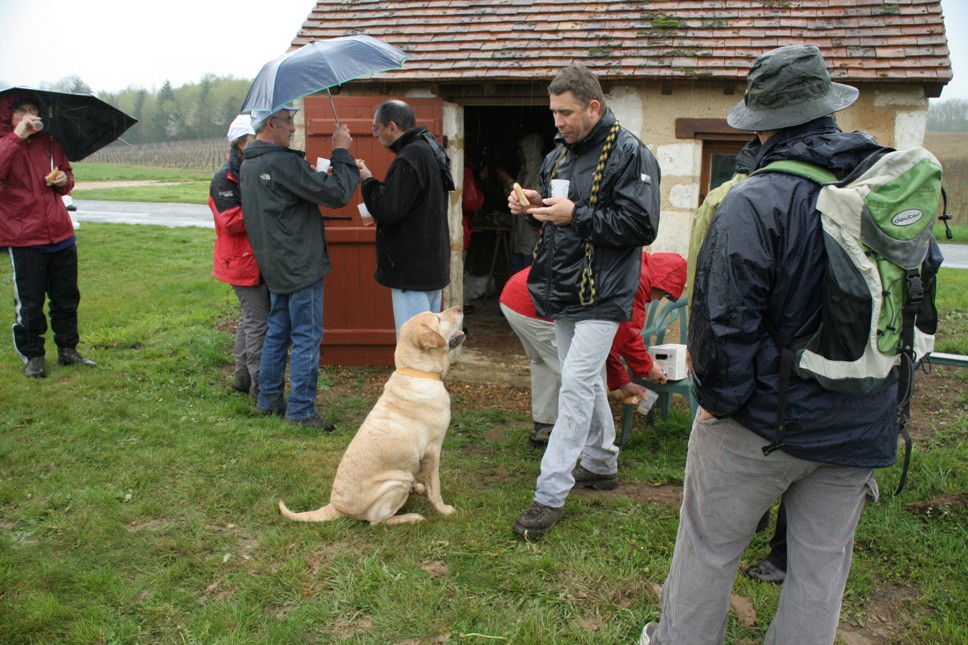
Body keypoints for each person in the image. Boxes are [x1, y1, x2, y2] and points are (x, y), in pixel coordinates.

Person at [640, 44, 893, 645]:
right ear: (828, 109)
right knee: (820, 568)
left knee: (709, 549)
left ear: (764, 125)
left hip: (762, 426)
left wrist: (720, 404)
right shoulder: (885, 185)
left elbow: (723, 325)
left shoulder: (753, 200)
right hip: (861, 419)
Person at [507, 64, 661, 539]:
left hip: (605, 288)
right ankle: (600, 462)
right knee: (586, 377)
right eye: (554, 112)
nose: (558, 122)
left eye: (566, 113)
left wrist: (578, 214)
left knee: (574, 382)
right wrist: (533, 207)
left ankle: (549, 493)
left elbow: (641, 226)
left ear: (594, 106)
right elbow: (559, 219)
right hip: (563, 285)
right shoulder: (557, 157)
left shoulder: (631, 153)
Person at [240, 106, 359, 430]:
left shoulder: (250, 164)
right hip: (299, 264)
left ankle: (269, 400)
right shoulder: (281, 162)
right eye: (289, 121)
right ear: (271, 124)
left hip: (275, 264)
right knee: (307, 336)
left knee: (278, 332)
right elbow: (336, 194)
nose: (293, 128)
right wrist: (341, 150)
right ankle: (302, 410)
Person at [500, 252, 687, 447]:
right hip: (536, 306)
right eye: (664, 294)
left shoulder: (631, 264)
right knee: (588, 376)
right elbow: (626, 333)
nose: (657, 299)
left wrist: (623, 382)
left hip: (518, 296)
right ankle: (588, 446)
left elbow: (606, 338)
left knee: (548, 364)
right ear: (662, 281)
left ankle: (546, 427)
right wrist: (646, 366)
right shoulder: (637, 280)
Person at [0, 90, 96, 378]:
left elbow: (66, 176)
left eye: (34, 110)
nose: (30, 116)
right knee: (30, 303)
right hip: (24, 236)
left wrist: (64, 180)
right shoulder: (6, 144)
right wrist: (17, 136)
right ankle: (33, 356)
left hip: (60, 232)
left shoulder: (51, 143)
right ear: (9, 115)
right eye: (22, 111)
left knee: (66, 297)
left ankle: (68, 349)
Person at [358, 100, 454, 337]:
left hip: (412, 271)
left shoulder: (409, 157)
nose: (374, 134)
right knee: (430, 342)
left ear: (392, 126)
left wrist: (368, 182)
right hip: (431, 267)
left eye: (376, 128)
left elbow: (388, 210)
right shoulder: (431, 148)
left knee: (414, 344)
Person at [209, 114, 268, 399]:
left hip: (254, 260)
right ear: (241, 144)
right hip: (240, 262)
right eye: (253, 141)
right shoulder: (224, 178)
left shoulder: (249, 170)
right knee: (258, 321)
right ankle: (261, 389)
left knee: (250, 318)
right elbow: (231, 222)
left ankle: (242, 376)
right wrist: (266, 205)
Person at [496, 133, 544, 274]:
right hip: (519, 234)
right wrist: (507, 184)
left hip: (531, 236)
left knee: (528, 276)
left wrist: (509, 180)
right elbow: (515, 198)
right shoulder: (524, 172)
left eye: (522, 149)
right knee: (515, 274)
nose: (518, 152)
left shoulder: (540, 172)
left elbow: (528, 199)